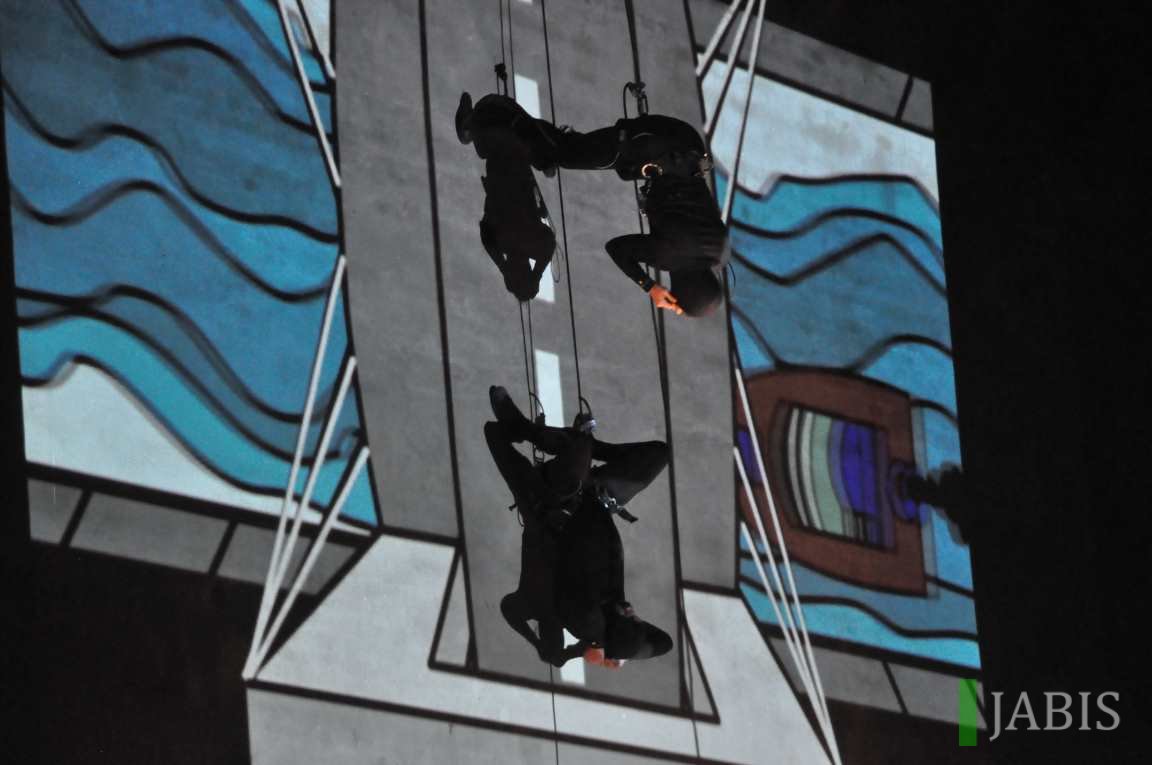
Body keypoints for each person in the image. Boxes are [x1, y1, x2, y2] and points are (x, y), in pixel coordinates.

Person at [457, 92, 727, 317]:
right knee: (567, 151)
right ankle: (487, 118)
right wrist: (650, 286)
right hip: (645, 147)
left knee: (596, 160)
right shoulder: (669, 255)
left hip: (685, 142)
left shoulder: (719, 248)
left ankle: (544, 155)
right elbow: (617, 249)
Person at [484, 385, 674, 667]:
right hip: (593, 502)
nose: (632, 610)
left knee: (575, 449)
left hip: (552, 500)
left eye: (630, 617)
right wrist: (584, 649)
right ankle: (583, 445)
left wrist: (549, 646)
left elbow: (511, 609)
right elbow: (662, 643)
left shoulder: (557, 604)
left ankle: (523, 428)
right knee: (657, 455)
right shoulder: (608, 617)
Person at [456, 93, 557, 302]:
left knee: (544, 156)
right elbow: (486, 235)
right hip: (494, 142)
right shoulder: (499, 243)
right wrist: (503, 267)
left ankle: (480, 118)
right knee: (473, 137)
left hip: (516, 143)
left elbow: (549, 243)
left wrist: (536, 274)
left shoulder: (535, 246)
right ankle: (471, 121)